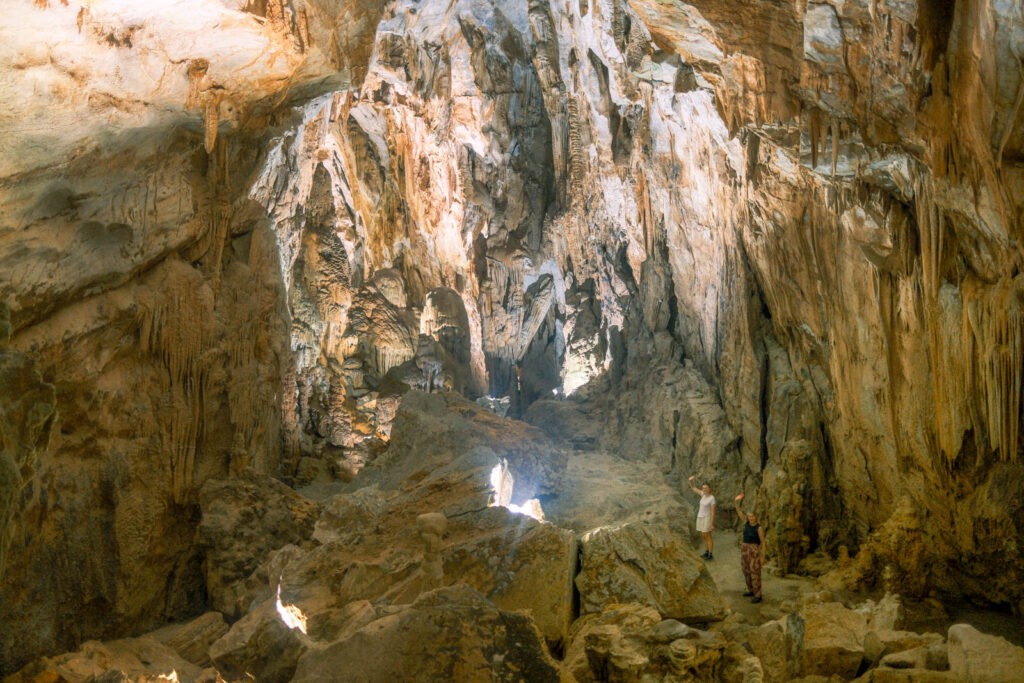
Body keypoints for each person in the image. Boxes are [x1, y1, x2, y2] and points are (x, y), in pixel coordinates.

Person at [734, 493, 767, 603]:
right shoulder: (746, 523)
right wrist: (736, 502)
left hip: (753, 550)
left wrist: (763, 557)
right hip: (744, 549)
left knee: (755, 572)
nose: (751, 518)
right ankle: (751, 590)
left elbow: (763, 543)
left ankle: (758, 595)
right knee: (746, 570)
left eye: (753, 516)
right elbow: (739, 511)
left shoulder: (759, 528)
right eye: (749, 516)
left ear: (756, 517)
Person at [687, 475, 716, 559]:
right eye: (703, 488)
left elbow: (713, 512)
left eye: (706, 488)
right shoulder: (702, 494)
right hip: (700, 517)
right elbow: (693, 487)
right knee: (703, 535)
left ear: (709, 488)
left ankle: (710, 554)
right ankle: (707, 552)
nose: (704, 489)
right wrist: (691, 481)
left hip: (707, 518)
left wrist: (711, 524)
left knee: (708, 536)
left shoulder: (712, 498)